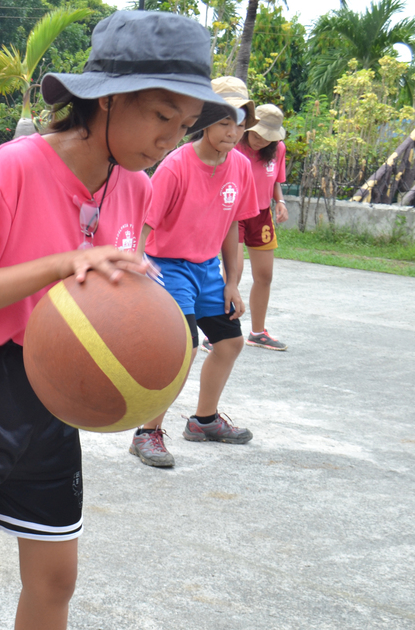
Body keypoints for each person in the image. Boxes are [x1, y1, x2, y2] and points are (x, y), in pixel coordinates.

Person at [0, 12, 234, 629]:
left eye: (184, 126)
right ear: (105, 100)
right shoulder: (13, 167)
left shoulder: (135, 186)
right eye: (161, 117)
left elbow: (117, 296)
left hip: (53, 393)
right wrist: (60, 265)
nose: (170, 139)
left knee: (56, 583)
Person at [129, 76, 261, 469]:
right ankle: (146, 433)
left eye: (239, 123)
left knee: (230, 343)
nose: (232, 132)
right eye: (223, 122)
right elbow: (145, 224)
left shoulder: (240, 167)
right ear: (204, 121)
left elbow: (233, 230)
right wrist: (137, 265)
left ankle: (204, 421)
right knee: (181, 349)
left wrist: (233, 282)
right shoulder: (176, 165)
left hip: (207, 271)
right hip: (168, 267)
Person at [233, 104, 290, 351]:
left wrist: (280, 202)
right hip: (234, 214)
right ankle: (218, 333)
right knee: (232, 273)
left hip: (261, 214)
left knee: (265, 275)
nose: (259, 141)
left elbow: (275, 179)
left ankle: (257, 332)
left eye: (266, 137)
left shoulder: (278, 149)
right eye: (256, 134)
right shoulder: (234, 144)